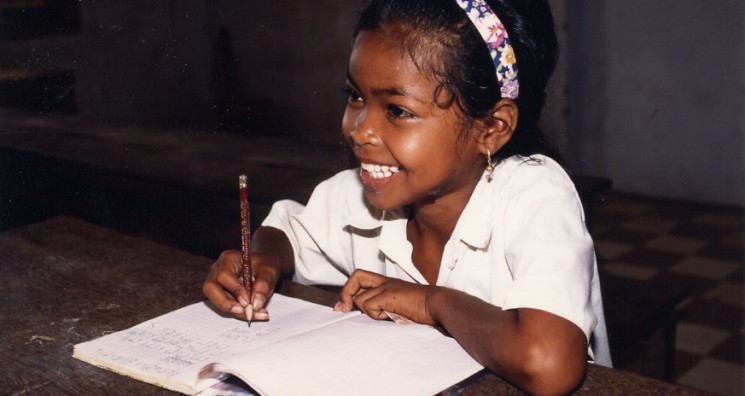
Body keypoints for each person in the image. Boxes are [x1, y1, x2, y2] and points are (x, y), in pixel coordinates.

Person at [203, 0, 611, 393]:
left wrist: (433, 303)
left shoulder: (534, 195)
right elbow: (289, 232)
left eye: (397, 110)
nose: (360, 131)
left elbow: (547, 363)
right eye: (355, 96)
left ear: (491, 128)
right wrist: (264, 260)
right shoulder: (364, 193)